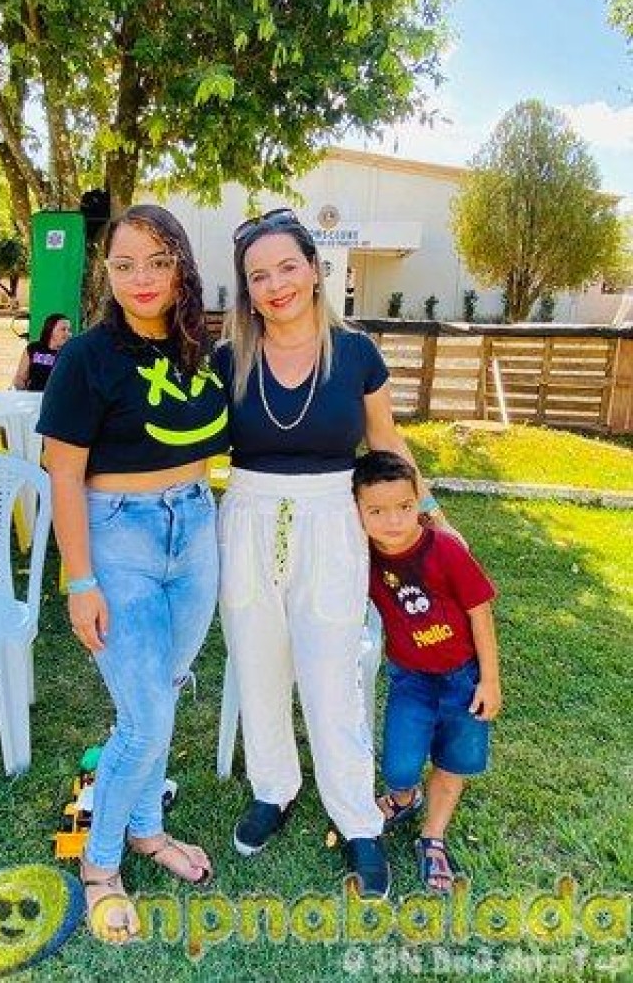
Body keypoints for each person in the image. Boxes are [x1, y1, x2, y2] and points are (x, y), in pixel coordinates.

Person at [214, 207, 450, 898]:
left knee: (333, 674)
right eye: (259, 275)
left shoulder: (355, 353)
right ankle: (274, 787)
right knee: (257, 662)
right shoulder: (227, 358)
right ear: (247, 288)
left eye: (288, 267)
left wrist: (431, 517)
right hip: (248, 518)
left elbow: (386, 442)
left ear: (315, 271)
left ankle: (356, 819)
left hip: (332, 520)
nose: (275, 285)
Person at [36, 204, 229, 943]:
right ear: (105, 273)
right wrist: (80, 581)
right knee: (143, 718)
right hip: (120, 539)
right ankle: (100, 865)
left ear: (181, 266)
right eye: (124, 265)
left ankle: (147, 829)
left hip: (196, 527)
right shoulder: (86, 357)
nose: (141, 278)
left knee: (165, 693)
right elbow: (63, 474)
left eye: (156, 261)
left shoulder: (200, 347)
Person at [353, 450, 501, 894]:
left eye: (403, 506)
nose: (393, 521)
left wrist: (489, 680)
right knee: (399, 766)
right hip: (411, 681)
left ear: (418, 498)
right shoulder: (362, 557)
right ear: (357, 511)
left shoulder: (446, 549)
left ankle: (432, 836)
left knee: (454, 762)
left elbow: (480, 612)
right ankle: (404, 797)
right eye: (376, 511)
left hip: (463, 679)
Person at [12, 312, 71, 391]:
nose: (68, 334)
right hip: (34, 395)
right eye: (63, 329)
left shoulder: (70, 353)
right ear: (50, 330)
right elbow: (20, 377)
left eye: (69, 330)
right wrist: (20, 388)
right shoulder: (33, 348)